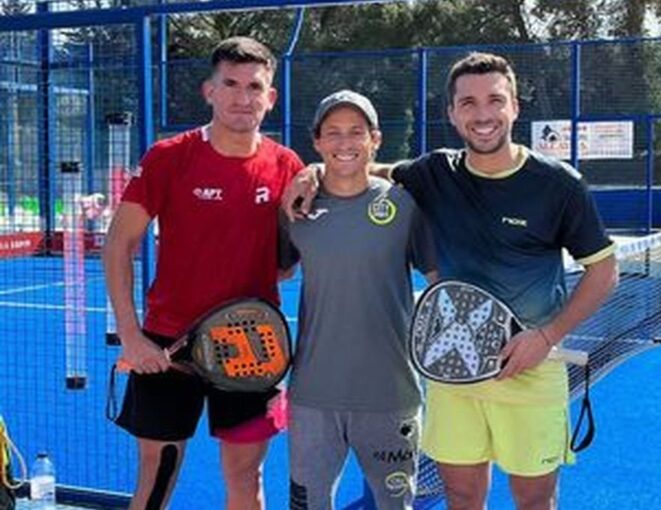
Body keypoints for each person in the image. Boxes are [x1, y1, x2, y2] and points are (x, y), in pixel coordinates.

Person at [282, 53, 619, 510]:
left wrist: (546, 336)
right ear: (452, 113)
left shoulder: (558, 184)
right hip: (452, 373)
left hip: (531, 371)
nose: (483, 114)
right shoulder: (436, 172)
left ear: (515, 106)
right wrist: (314, 170)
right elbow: (363, 168)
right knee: (461, 495)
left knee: (534, 500)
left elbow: (604, 271)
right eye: (469, 103)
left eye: (495, 100)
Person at [103, 37, 304, 510]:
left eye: (255, 86)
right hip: (167, 346)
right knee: (159, 473)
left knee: (245, 476)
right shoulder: (169, 157)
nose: (243, 96)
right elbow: (118, 243)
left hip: (252, 348)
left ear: (270, 97)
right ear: (208, 91)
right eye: (230, 84)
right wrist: (131, 336)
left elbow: (289, 263)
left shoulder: (287, 165)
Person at [280, 90, 436, 510]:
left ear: (375, 140)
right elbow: (274, 272)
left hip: (391, 396)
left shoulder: (404, 205)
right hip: (313, 395)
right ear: (316, 142)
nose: (344, 143)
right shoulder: (295, 207)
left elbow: (442, 284)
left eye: (356, 132)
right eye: (332, 133)